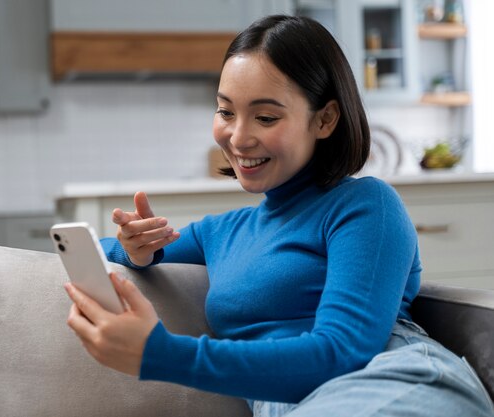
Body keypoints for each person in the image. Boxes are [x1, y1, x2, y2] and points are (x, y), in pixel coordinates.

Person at [63, 14, 494, 416]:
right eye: (226, 111)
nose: (238, 136)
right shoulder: (223, 232)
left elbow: (342, 353)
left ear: (325, 119)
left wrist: (162, 355)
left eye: (265, 116)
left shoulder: (365, 206)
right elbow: (98, 250)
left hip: (391, 381)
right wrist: (136, 248)